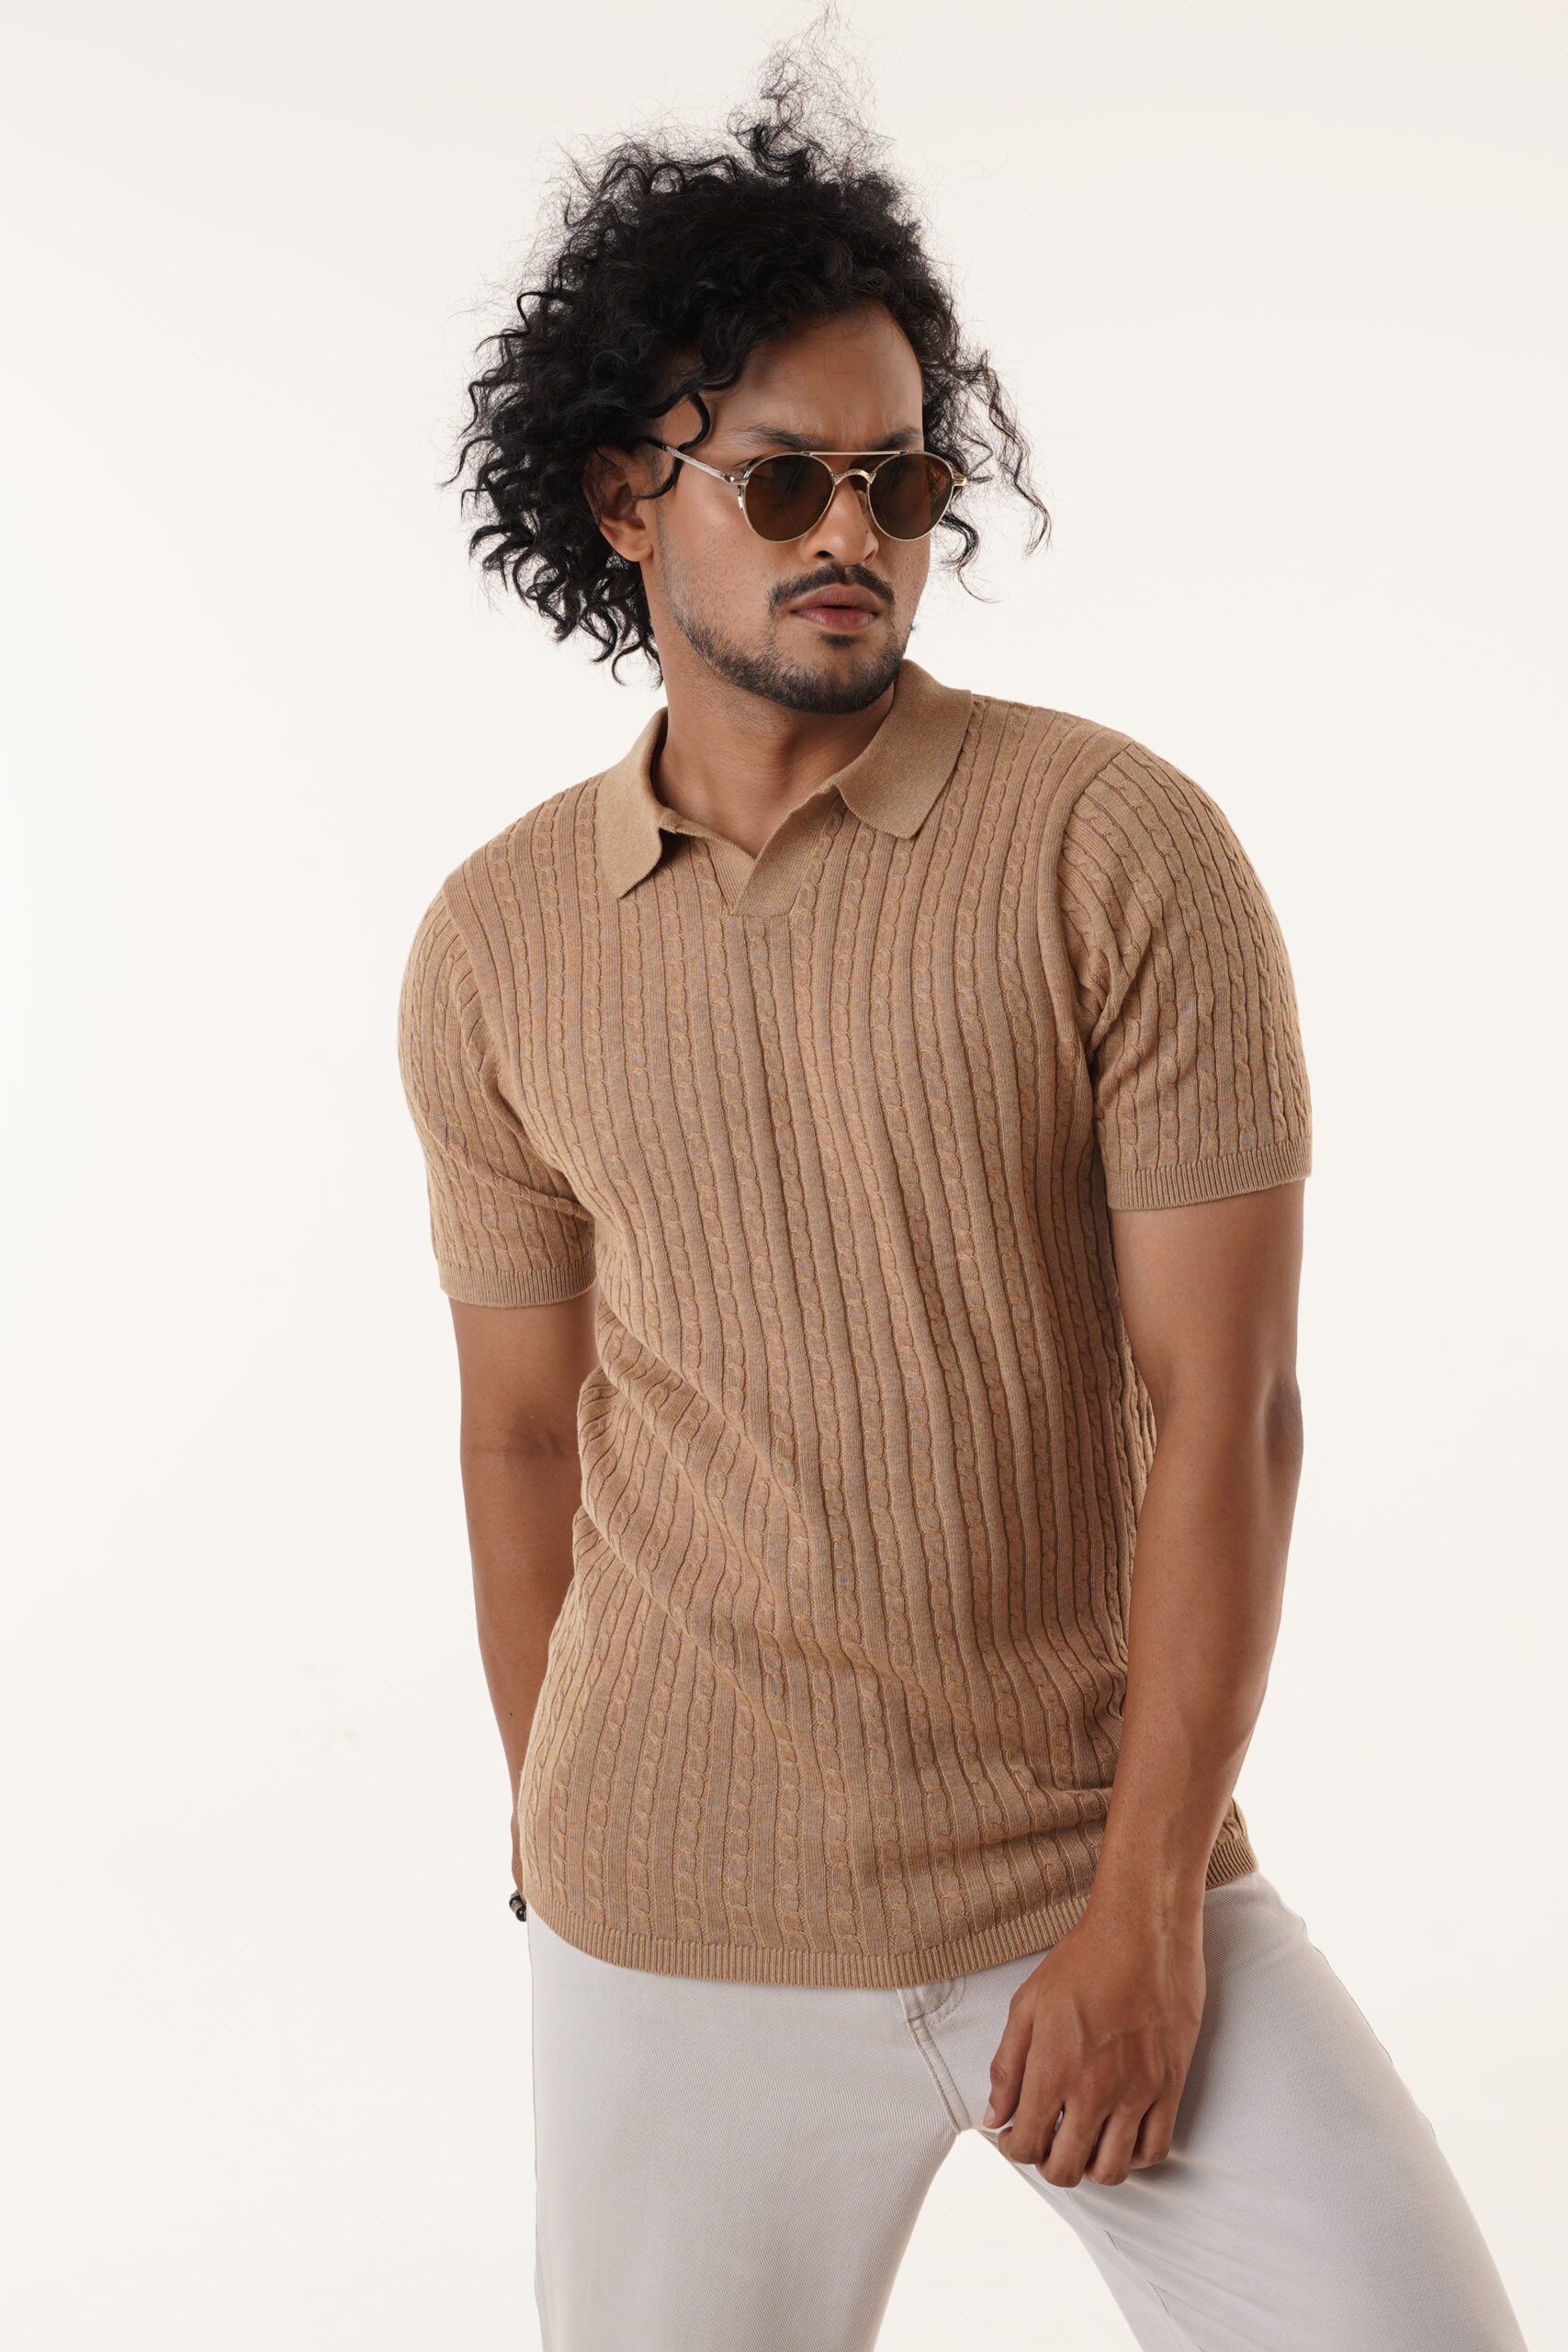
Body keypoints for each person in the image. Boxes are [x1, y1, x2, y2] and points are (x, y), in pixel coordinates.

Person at [395, 41, 1529, 2352]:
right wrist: (563, 1821)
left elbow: (1226, 1407)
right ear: (621, 499)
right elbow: (519, 1431)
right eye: (781, 478)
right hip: (668, 1898)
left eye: (901, 478)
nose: (856, 533)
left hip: (1071, 1863)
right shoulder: (496, 940)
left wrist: (1143, 1904)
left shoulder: (1113, 847)